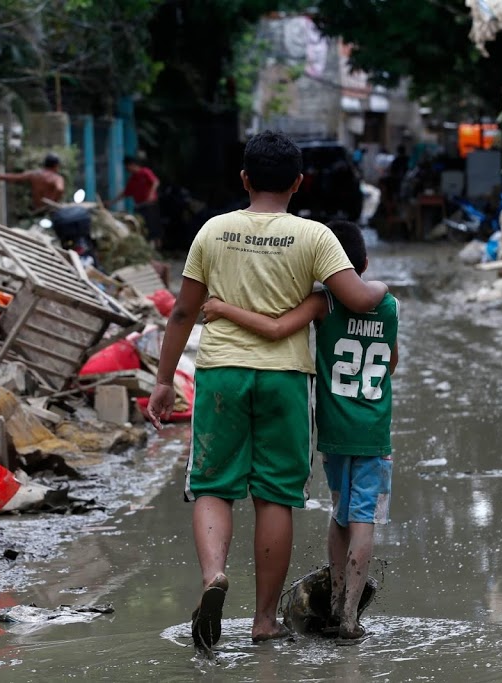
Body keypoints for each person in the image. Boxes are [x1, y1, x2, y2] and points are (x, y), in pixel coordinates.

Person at [144, 131, 388, 651]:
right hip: (285, 378)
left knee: (213, 484)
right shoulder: (315, 237)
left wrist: (164, 380)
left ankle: (214, 578)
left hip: (220, 375)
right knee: (275, 494)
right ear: (299, 183)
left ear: (245, 179)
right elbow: (357, 299)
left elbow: (184, 310)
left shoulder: (213, 231)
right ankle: (263, 620)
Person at [202, 220, 398, 642]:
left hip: (333, 431)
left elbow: (275, 328)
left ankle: (332, 605)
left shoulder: (323, 303)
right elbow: (391, 363)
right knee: (365, 518)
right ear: (363, 263)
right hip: (375, 432)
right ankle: (348, 617)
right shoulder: (389, 306)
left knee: (339, 513)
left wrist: (221, 309)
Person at [112, 156, 162, 248]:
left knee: (154, 227)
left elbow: (155, 182)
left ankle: (158, 247)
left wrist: (151, 194)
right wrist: (112, 202)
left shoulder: (145, 172)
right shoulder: (133, 179)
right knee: (142, 227)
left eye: (127, 167)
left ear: (132, 165)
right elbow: (125, 193)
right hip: (140, 206)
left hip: (150, 205)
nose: (127, 170)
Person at [0, 153, 65, 213]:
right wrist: (52, 201)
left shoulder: (35, 174)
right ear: (56, 165)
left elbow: (16, 177)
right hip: (49, 210)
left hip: (36, 208)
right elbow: (60, 189)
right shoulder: (57, 178)